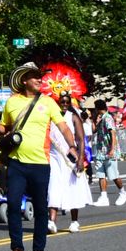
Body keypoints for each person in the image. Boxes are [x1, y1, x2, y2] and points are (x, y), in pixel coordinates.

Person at [0, 63, 76, 251]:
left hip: (40, 163)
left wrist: (72, 146)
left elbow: (63, 126)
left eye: (40, 77)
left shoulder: (48, 102)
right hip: (16, 162)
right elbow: (5, 127)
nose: (40, 80)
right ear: (24, 80)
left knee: (41, 208)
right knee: (13, 204)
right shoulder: (12, 102)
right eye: (35, 77)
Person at [48, 93, 90, 234]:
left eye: (67, 102)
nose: (64, 104)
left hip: (70, 157)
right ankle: (52, 221)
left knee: (72, 187)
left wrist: (80, 159)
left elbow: (81, 139)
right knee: (53, 186)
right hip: (54, 156)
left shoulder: (73, 117)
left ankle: (74, 221)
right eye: (61, 101)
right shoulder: (50, 117)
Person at [89, 102, 126, 207]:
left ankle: (123, 192)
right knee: (101, 175)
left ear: (98, 108)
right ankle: (104, 197)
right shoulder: (101, 118)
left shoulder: (108, 118)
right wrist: (94, 120)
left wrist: (112, 149)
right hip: (101, 151)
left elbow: (113, 133)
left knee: (113, 175)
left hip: (109, 150)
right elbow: (94, 131)